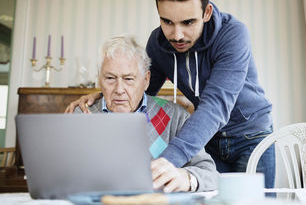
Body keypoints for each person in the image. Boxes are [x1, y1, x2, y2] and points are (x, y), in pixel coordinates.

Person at [66, 0, 275, 188]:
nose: (177, 35)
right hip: (207, 138)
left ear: (206, 13)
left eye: (188, 22)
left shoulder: (233, 34)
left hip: (251, 135)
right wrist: (103, 95)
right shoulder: (157, 44)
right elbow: (140, 86)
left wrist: (167, 162)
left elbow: (216, 105)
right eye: (167, 21)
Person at [73, 35, 218, 193]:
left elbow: (209, 173)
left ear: (146, 80)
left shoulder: (176, 116)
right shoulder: (81, 114)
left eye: (128, 79)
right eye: (110, 78)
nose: (119, 89)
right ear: (99, 79)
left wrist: (187, 177)